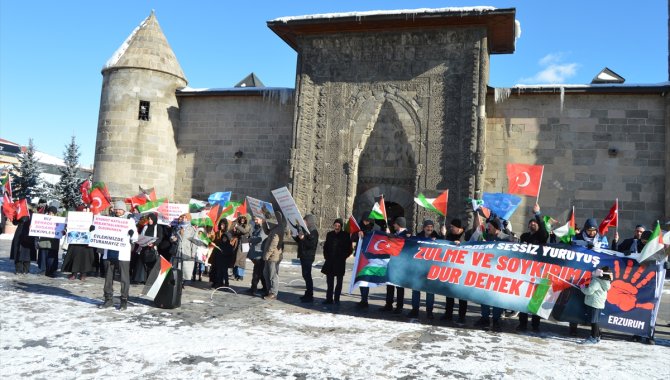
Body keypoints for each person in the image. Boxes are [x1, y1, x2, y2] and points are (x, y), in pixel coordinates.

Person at [474, 217, 516, 331]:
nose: (488, 228)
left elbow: (515, 248)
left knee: (497, 297)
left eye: (490, 226)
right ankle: (485, 317)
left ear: (496, 228)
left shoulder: (507, 239)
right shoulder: (487, 237)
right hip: (487, 272)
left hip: (500, 273)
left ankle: (496, 319)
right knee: (484, 296)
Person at [517, 203, 549, 332]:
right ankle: (522, 323)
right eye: (531, 223)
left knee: (537, 298)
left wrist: (537, 214)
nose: (533, 224)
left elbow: (543, 232)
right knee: (523, 298)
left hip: (540, 271)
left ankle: (535, 325)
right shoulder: (525, 237)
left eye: (535, 223)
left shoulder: (542, 236)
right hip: (526, 270)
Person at [100, 201, 137, 310]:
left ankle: (124, 300)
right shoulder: (109, 219)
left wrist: (131, 235)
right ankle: (108, 299)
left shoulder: (129, 221)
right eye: (116, 209)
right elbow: (101, 231)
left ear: (124, 210)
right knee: (108, 277)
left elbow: (135, 236)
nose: (118, 211)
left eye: (120, 209)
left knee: (124, 278)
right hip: (109, 251)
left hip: (122, 253)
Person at [408, 219, 440, 319]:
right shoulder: (418, 237)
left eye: (431, 227)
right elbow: (410, 244)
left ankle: (429, 311)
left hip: (431, 268)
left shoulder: (438, 238)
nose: (429, 228)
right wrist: (408, 237)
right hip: (419, 268)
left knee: (430, 291)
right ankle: (415, 310)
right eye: (427, 226)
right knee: (416, 290)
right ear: (424, 228)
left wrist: (443, 236)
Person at [380, 217, 411, 313]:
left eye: (395, 224)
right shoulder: (396, 234)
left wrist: (391, 236)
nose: (394, 225)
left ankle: (399, 306)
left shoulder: (407, 235)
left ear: (399, 224)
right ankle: (388, 304)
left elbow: (402, 243)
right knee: (389, 284)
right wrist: (389, 235)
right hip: (392, 263)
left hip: (401, 265)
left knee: (399, 286)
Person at [442, 218, 469, 324]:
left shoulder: (466, 235)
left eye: (452, 227)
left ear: (459, 228)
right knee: (449, 293)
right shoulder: (449, 235)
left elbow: (473, 245)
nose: (451, 228)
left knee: (462, 295)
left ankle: (462, 316)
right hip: (450, 268)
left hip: (463, 270)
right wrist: (444, 236)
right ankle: (448, 314)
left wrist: (462, 244)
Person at [321, 218, 352, 305]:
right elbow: (325, 247)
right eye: (335, 225)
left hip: (340, 262)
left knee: (339, 282)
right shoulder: (329, 234)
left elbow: (349, 249)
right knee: (329, 282)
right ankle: (329, 298)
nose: (337, 227)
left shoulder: (345, 235)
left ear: (341, 226)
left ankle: (337, 299)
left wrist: (343, 257)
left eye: (339, 226)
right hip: (330, 261)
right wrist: (326, 256)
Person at [579, 266, 612, 344]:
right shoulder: (606, 282)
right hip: (598, 304)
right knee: (595, 321)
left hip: (594, 303)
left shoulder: (596, 281)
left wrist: (582, 287)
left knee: (594, 322)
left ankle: (593, 338)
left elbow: (589, 291)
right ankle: (597, 337)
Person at [355, 216, 380, 308]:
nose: (365, 223)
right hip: (361, 257)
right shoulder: (359, 227)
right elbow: (352, 238)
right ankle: (363, 299)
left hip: (370, 258)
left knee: (366, 279)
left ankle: (365, 299)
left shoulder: (375, 229)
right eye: (364, 220)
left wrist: (365, 234)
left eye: (367, 221)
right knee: (361, 278)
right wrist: (358, 234)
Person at [131, 212, 163, 284]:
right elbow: (142, 235)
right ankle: (139, 279)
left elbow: (160, 237)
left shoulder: (158, 227)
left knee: (151, 264)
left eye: (151, 219)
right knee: (141, 263)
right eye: (149, 219)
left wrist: (154, 243)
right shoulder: (146, 226)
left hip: (152, 248)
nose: (150, 220)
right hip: (143, 247)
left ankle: (149, 280)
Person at [294, 214, 319, 302]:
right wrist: (296, 235)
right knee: (305, 275)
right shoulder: (305, 230)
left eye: (304, 221)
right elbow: (299, 241)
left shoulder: (313, 232)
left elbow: (311, 245)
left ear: (309, 221)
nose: (303, 222)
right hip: (303, 255)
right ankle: (308, 293)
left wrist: (303, 238)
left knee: (307, 275)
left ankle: (310, 294)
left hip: (308, 256)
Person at [262, 211, 285, 300]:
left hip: (274, 256)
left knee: (272, 274)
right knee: (266, 273)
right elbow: (267, 232)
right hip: (269, 255)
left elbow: (274, 243)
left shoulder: (279, 229)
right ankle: (269, 290)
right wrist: (264, 223)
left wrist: (267, 254)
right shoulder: (274, 227)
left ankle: (273, 293)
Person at [170, 213, 197, 283]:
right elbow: (172, 236)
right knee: (177, 266)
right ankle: (178, 280)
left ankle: (183, 280)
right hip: (178, 250)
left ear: (188, 218)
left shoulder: (192, 229)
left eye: (185, 217)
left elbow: (194, 243)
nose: (184, 218)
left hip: (187, 250)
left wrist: (193, 253)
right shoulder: (178, 227)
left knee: (185, 267)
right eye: (183, 217)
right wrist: (173, 238)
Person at [36, 206, 61, 277]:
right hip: (44, 240)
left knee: (52, 256)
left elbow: (63, 229)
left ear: (55, 214)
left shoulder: (59, 220)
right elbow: (38, 226)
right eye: (50, 213)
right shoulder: (43, 219)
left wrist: (63, 232)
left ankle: (51, 270)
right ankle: (43, 270)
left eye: (53, 213)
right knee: (43, 255)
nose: (51, 214)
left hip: (54, 241)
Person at [247, 216, 268, 295]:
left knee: (256, 272)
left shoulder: (263, 228)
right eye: (254, 219)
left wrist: (250, 239)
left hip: (259, 254)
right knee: (261, 272)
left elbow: (260, 238)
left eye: (257, 219)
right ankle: (265, 287)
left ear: (262, 220)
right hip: (256, 254)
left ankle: (254, 288)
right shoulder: (257, 227)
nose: (255, 221)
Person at [211, 219, 234, 288]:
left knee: (223, 272)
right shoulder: (217, 232)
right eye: (221, 224)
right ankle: (216, 282)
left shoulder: (227, 233)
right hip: (217, 253)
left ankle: (223, 283)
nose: (222, 226)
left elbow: (230, 245)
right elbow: (214, 240)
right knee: (216, 269)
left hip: (224, 256)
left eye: (223, 225)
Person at [231, 214, 251, 281]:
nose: (242, 219)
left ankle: (241, 275)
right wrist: (234, 230)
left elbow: (244, 231)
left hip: (244, 244)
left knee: (241, 260)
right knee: (235, 258)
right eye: (241, 218)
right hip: (237, 243)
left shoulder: (248, 226)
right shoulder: (238, 225)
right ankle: (235, 274)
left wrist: (237, 226)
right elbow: (235, 234)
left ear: (246, 219)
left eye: (244, 218)